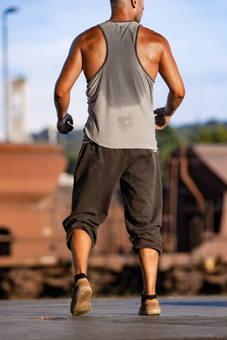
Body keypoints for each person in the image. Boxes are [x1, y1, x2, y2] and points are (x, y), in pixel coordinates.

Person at [54, 0, 184, 316]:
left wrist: (62, 118)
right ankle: (150, 298)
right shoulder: (156, 42)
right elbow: (178, 91)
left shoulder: (86, 40)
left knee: (83, 216)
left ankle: (82, 279)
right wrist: (165, 113)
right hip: (141, 147)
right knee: (146, 225)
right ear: (134, 2)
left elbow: (61, 90)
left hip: (100, 143)